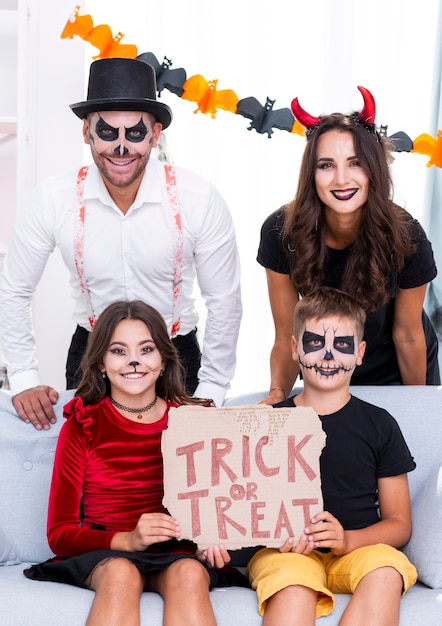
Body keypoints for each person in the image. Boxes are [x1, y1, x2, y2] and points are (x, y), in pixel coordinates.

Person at [0, 57, 242, 429]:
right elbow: (13, 289)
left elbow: (224, 301)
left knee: (180, 482)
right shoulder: (52, 198)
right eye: (108, 132)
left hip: (177, 357)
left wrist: (210, 390)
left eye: (135, 133)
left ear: (155, 134)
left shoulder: (198, 198)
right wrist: (23, 378)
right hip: (92, 356)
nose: (122, 147)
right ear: (87, 132)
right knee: (95, 478)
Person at [23, 300, 233, 626]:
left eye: (146, 349)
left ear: (163, 359)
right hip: (109, 555)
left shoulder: (194, 423)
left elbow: (217, 510)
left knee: (191, 573)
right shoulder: (82, 425)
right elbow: (59, 533)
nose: (134, 361)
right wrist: (127, 540)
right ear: (101, 364)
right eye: (119, 351)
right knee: (122, 574)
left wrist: (213, 541)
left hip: (176, 554)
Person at [258, 86, 439, 405]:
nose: (341, 179)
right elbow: (286, 335)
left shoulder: (407, 235)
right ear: (310, 173)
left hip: (395, 376)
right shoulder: (279, 232)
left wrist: (418, 408)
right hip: (323, 371)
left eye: (355, 163)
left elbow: (408, 335)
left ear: (374, 169)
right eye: (326, 165)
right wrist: (276, 396)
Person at [247, 287, 417, 626]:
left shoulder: (380, 425)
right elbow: (238, 509)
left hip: (358, 549)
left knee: (386, 571)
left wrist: (348, 540)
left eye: (342, 345)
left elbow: (400, 525)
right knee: (293, 587)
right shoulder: (263, 424)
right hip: (283, 553)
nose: (328, 355)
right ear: (295, 349)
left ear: (360, 353)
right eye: (314, 343)